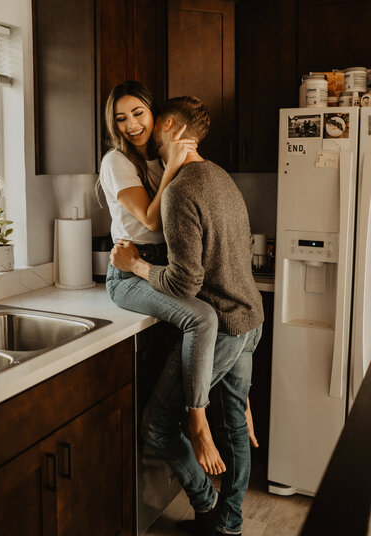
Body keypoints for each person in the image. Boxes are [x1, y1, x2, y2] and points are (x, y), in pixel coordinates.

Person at [110, 95, 264, 536]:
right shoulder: (220, 176)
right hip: (250, 318)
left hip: (225, 329)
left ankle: (207, 502)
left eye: (153, 120)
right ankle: (228, 525)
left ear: (173, 128)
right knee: (236, 426)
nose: (144, 127)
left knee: (158, 427)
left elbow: (183, 286)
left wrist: (136, 267)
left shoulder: (180, 191)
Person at [100, 80, 226, 475]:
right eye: (121, 118)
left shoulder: (157, 157)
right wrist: (174, 163)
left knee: (221, 314)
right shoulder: (116, 162)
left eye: (138, 113)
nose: (131, 124)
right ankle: (197, 419)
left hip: (166, 266)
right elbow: (151, 219)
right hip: (130, 270)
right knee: (203, 317)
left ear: (156, 115)